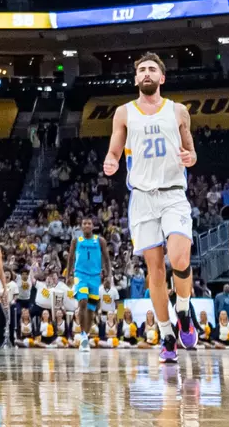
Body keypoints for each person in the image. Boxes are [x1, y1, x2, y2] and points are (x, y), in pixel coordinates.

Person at [103, 52, 198, 363]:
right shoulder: (123, 113)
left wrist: (189, 158)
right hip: (142, 198)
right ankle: (167, 333)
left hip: (173, 193)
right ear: (135, 78)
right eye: (141, 69)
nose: (146, 73)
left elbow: (191, 151)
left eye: (152, 69)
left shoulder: (179, 111)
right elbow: (115, 147)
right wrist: (112, 160)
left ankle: (183, 309)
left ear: (162, 78)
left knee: (179, 256)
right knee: (155, 271)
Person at [66, 214, 110, 355]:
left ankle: (85, 336)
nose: (86, 226)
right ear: (81, 226)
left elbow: (107, 259)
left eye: (89, 223)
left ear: (93, 226)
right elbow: (71, 258)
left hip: (95, 278)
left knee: (91, 309)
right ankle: (83, 334)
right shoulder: (76, 240)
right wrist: (68, 275)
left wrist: (108, 276)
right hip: (80, 276)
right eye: (84, 223)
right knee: (83, 301)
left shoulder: (100, 240)